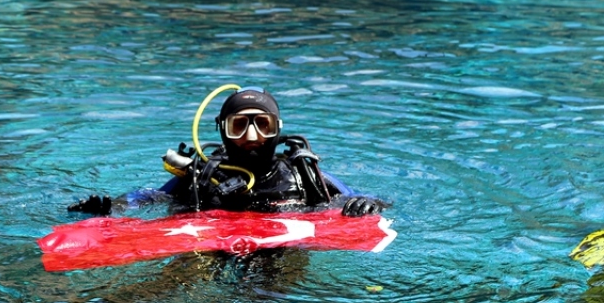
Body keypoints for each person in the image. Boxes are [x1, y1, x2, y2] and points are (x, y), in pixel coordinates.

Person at [67, 87, 386, 218]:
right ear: (222, 129)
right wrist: (113, 206)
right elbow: (150, 197)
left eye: (262, 124)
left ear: (277, 129)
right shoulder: (204, 176)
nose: (251, 136)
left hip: (283, 245)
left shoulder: (304, 177)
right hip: (211, 246)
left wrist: (367, 204)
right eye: (239, 126)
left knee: (272, 287)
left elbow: (364, 199)